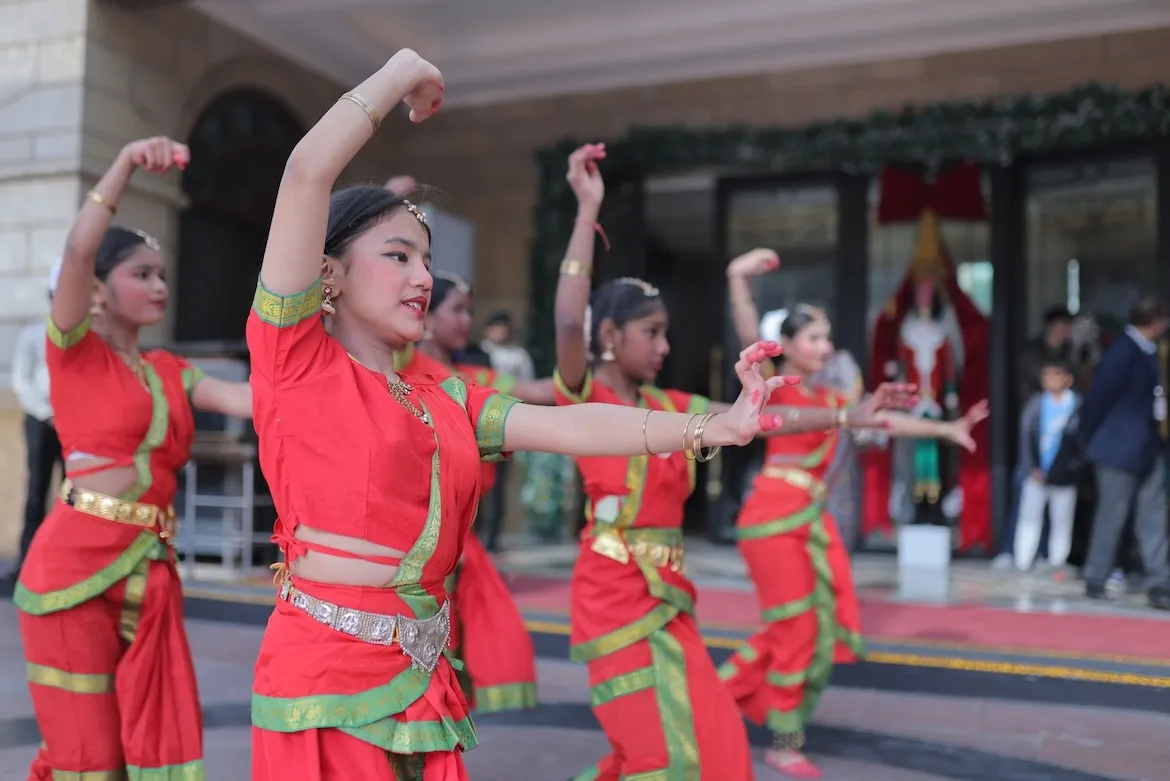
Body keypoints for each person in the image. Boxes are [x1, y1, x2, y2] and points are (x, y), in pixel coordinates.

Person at [247, 51, 789, 781]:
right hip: (324, 684)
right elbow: (307, 172)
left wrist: (713, 427)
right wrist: (401, 70)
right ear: (329, 273)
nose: (421, 278)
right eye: (399, 255)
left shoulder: (447, 396)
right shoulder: (296, 362)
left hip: (423, 680)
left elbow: (572, 425)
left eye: (426, 260)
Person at [554, 144, 915, 781]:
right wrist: (588, 212)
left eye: (667, 332)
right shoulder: (586, 392)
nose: (667, 346)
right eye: (652, 333)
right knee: (655, 757)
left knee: (718, 749)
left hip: (671, 595)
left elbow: (761, 415)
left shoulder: (673, 404)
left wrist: (852, 416)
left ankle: (778, 734)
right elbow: (565, 317)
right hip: (613, 593)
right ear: (609, 338)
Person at [15, 136, 254, 781]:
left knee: (135, 753)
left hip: (148, 573)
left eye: (162, 274)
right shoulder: (72, 349)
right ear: (98, 288)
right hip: (71, 576)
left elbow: (252, 398)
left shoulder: (171, 370)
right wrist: (122, 166)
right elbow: (78, 248)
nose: (159, 285)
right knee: (87, 761)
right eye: (141, 273)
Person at [722, 248, 988, 779]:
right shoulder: (772, 384)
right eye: (813, 338)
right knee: (795, 629)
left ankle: (717, 699)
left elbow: (882, 424)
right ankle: (778, 738)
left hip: (809, 522)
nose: (824, 347)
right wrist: (737, 280)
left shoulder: (836, 395)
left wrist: (945, 429)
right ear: (788, 345)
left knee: (811, 629)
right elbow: (749, 329)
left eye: (826, 338)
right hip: (774, 519)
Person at [394, 271, 552, 714]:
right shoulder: (397, 366)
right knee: (416, 656)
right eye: (457, 309)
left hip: (459, 541)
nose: (467, 320)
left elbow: (539, 392)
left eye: (469, 310)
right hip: (405, 542)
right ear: (426, 316)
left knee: (453, 650)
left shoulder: (472, 379)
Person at [1080, 297, 1170, 610]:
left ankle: (1159, 582)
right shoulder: (1122, 352)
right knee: (1113, 515)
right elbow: (1097, 400)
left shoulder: (1150, 352)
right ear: (1155, 321)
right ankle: (1096, 576)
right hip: (1117, 449)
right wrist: (1087, 439)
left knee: (1153, 516)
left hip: (1149, 447)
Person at [10, 264, 63, 574]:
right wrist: (49, 413)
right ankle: (26, 561)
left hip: (73, 423)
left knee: (74, 493)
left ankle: (65, 563)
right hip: (40, 420)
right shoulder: (33, 334)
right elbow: (22, 380)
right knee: (37, 490)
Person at [1013, 357, 1083, 573]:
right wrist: (1031, 466)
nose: (1050, 380)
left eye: (1056, 375)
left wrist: (1074, 468)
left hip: (1065, 473)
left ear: (1068, 379)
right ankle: (1023, 561)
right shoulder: (1037, 403)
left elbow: (1082, 441)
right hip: (1037, 473)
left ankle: (1057, 562)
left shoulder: (1077, 404)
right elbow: (1025, 435)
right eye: (1047, 375)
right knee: (1029, 518)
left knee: (1062, 520)